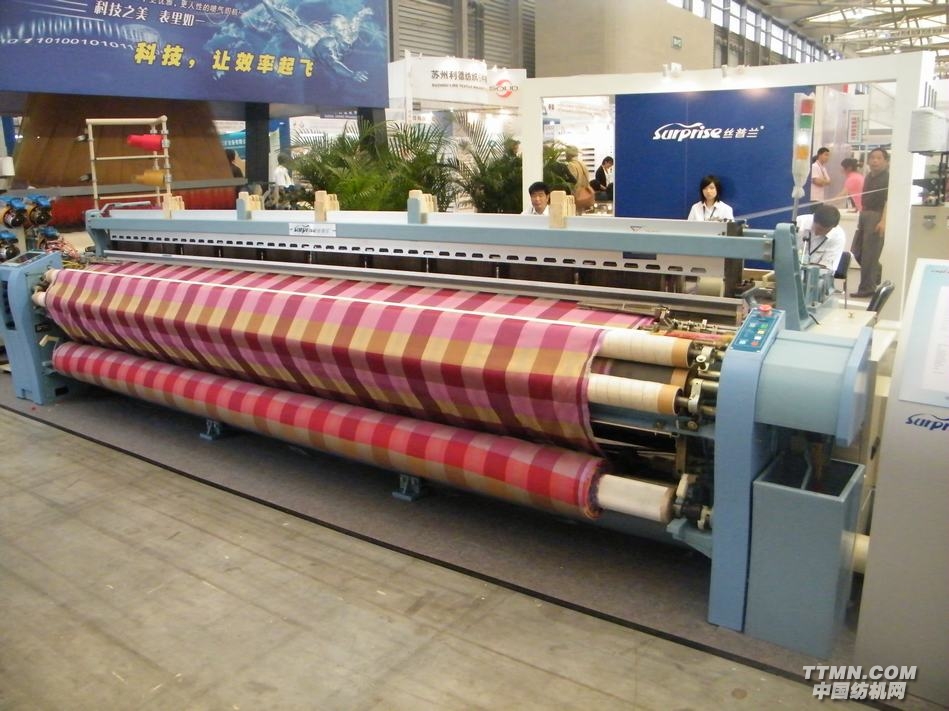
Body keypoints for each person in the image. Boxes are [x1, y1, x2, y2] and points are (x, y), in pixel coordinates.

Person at [851, 147, 889, 298]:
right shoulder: (868, 177)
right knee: (857, 250)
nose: (875, 161)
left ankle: (867, 288)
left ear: (886, 161)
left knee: (869, 254)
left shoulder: (887, 178)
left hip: (876, 216)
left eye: (879, 158)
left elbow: (888, 201)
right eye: (872, 157)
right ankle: (877, 272)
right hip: (864, 214)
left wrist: (883, 220)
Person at [795, 203, 846, 273]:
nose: (817, 233)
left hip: (816, 274)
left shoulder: (838, 237)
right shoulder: (799, 223)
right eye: (818, 228)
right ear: (813, 219)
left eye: (823, 231)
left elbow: (827, 267)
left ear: (833, 227)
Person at [564, 146, 594, 211]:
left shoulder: (571, 165)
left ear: (569, 154)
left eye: (565, 153)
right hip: (586, 195)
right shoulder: (583, 164)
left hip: (576, 198)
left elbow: (571, 184)